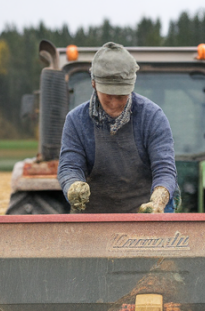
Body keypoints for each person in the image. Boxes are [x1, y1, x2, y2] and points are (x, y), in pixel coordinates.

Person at [57, 42, 178, 214]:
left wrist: (159, 199)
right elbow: (70, 166)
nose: (114, 103)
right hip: (94, 216)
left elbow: (164, 168)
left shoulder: (152, 117)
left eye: (121, 96)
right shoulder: (76, 121)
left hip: (145, 214)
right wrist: (73, 186)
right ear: (94, 84)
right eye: (108, 96)